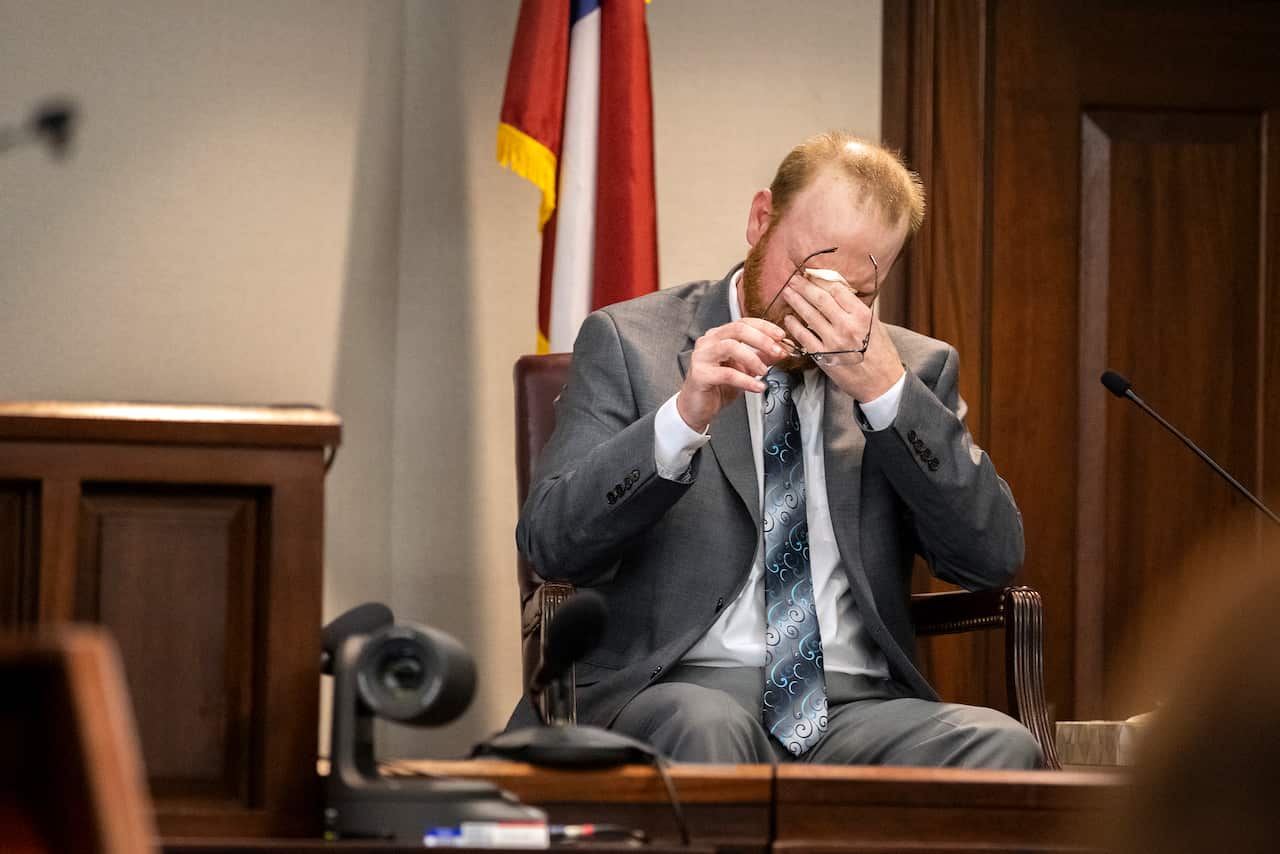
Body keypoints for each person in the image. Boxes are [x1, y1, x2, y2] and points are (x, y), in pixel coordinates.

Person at [512, 131, 1041, 768]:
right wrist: (681, 420)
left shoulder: (915, 370)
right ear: (761, 219)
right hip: (678, 687)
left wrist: (888, 397)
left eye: (856, 295)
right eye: (808, 275)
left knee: (1000, 746)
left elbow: (990, 559)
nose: (818, 310)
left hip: (856, 706)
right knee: (706, 726)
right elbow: (551, 543)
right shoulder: (631, 342)